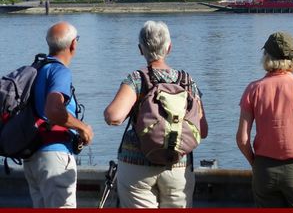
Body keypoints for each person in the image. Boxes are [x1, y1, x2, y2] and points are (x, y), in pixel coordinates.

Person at [103, 20, 208, 208]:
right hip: (178, 165)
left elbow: (114, 116)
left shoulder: (137, 79)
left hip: (136, 164)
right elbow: (203, 130)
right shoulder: (187, 81)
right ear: (169, 48)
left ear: (140, 49)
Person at [236, 31, 293, 208]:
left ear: (266, 57)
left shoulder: (253, 89)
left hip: (264, 170)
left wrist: (255, 163)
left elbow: (242, 139)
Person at [23, 21, 94, 208]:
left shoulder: (38, 68)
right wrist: (82, 128)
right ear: (73, 44)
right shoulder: (59, 71)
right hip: (55, 157)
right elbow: (53, 110)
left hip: (33, 156)